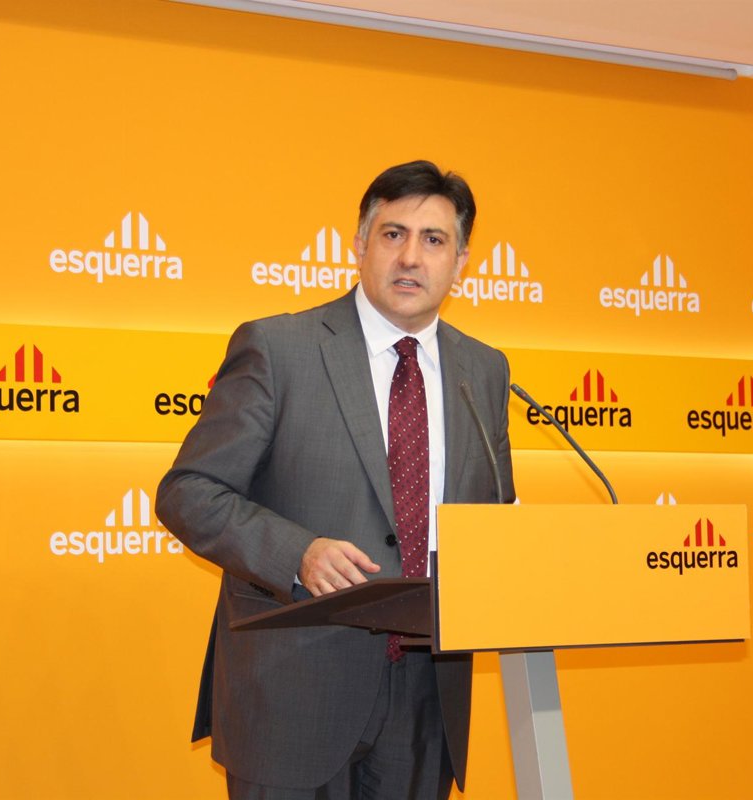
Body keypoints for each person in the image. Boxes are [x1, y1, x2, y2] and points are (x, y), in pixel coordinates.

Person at [156, 160, 516, 800]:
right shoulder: (279, 348)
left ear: (461, 262)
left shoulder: (484, 370)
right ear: (359, 245)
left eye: (434, 240)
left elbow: (495, 513)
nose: (411, 257)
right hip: (295, 689)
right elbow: (188, 491)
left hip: (427, 698)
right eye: (393, 234)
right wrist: (297, 552)